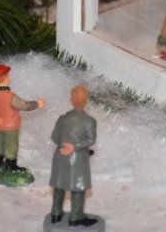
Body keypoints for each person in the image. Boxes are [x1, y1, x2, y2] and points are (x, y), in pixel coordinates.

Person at [49, 86, 98, 227]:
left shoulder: (62, 119)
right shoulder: (90, 121)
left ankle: (56, 213)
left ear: (71, 100)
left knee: (59, 185)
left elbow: (54, 137)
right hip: (78, 159)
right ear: (86, 101)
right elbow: (90, 140)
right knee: (78, 187)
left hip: (61, 156)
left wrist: (65, 145)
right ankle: (76, 216)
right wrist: (75, 147)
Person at [0, 64, 45, 173]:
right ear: (5, 79)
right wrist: (37, 104)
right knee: (11, 146)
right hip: (10, 127)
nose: (10, 78)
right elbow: (24, 106)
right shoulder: (10, 96)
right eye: (8, 76)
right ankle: (11, 165)